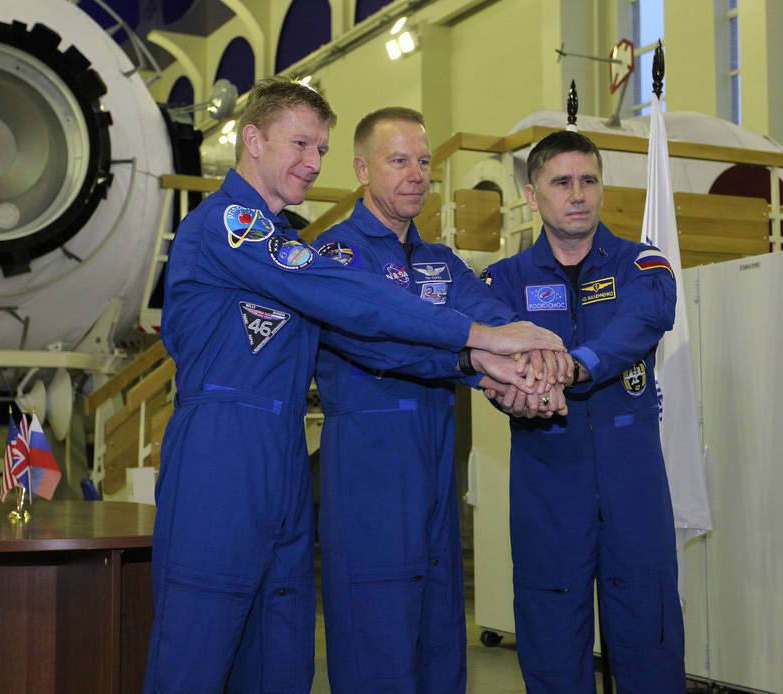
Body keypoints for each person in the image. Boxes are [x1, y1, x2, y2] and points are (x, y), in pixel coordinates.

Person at [143, 78, 563, 694]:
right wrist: (480, 338)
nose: (314, 163)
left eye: (321, 148)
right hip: (221, 452)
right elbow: (354, 300)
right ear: (252, 140)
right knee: (198, 648)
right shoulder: (229, 227)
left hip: (285, 453)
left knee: (281, 653)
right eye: (301, 144)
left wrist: (484, 361)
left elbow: (377, 333)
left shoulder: (284, 240)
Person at [311, 107, 558, 693]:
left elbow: (496, 318)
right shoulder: (337, 257)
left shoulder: (439, 263)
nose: (417, 174)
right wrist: (478, 359)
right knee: (378, 637)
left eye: (424, 161)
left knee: (441, 634)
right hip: (370, 472)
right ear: (361, 169)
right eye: (399, 161)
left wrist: (535, 361)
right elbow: (377, 340)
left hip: (433, 466)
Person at [482, 130, 684, 693]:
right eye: (562, 181)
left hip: (632, 480)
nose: (578, 194)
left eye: (589, 180)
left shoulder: (644, 266)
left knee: (650, 631)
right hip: (547, 480)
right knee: (551, 635)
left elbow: (640, 324)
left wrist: (574, 365)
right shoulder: (502, 282)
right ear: (532, 195)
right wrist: (503, 385)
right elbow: (480, 349)